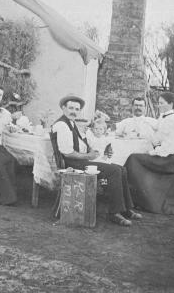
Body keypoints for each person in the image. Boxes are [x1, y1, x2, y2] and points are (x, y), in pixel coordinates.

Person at [52, 94, 142, 226]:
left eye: (77, 109)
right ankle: (114, 212)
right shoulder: (62, 125)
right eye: (71, 108)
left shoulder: (71, 123)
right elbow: (67, 153)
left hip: (81, 161)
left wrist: (95, 151)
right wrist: (88, 156)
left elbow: (81, 145)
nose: (74, 111)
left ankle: (126, 208)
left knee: (121, 169)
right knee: (114, 171)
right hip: (73, 165)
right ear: (63, 108)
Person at [125, 92, 174, 214]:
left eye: (161, 103)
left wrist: (153, 152)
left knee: (133, 159)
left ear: (170, 104)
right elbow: (157, 135)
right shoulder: (163, 118)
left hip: (170, 159)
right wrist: (142, 131)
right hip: (163, 155)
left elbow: (171, 147)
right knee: (135, 156)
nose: (158, 105)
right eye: (158, 103)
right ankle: (139, 199)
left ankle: (144, 201)